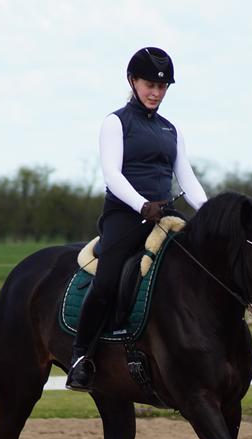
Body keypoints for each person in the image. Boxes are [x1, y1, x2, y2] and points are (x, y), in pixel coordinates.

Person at [65, 46, 209, 391]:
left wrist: (212, 213)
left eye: (162, 87)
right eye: (149, 85)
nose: (155, 92)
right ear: (133, 81)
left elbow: (186, 179)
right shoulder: (116, 122)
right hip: (124, 217)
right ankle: (81, 356)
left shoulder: (171, 130)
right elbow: (112, 174)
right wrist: (143, 205)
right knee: (108, 278)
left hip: (163, 216)